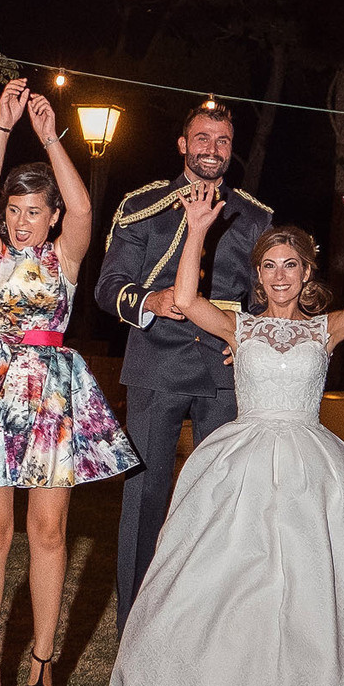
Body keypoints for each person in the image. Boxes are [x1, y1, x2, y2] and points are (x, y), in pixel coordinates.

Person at [109, 184, 344, 686]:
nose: (280, 275)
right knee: (243, 592)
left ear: (307, 271)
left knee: (304, 600)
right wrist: (196, 230)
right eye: (269, 266)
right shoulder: (240, 328)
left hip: (311, 469)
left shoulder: (324, 330)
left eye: (291, 264)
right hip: (243, 467)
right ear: (257, 277)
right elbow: (185, 299)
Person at [0, 81, 136, 686]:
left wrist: (50, 136)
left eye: (34, 211)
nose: (22, 220)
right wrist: (2, 127)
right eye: (14, 210)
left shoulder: (64, 258)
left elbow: (84, 207)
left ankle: (44, 657)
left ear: (50, 218)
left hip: (50, 397)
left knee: (49, 533)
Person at [95, 102, 271, 627]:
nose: (212, 149)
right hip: (156, 364)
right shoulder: (141, 206)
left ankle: (206, 624)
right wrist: (149, 300)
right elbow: (107, 287)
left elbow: (267, 297)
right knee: (145, 495)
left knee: (220, 497)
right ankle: (133, 624)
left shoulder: (254, 216)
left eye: (222, 140)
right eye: (203, 138)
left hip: (225, 371)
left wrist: (250, 337)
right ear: (183, 144)